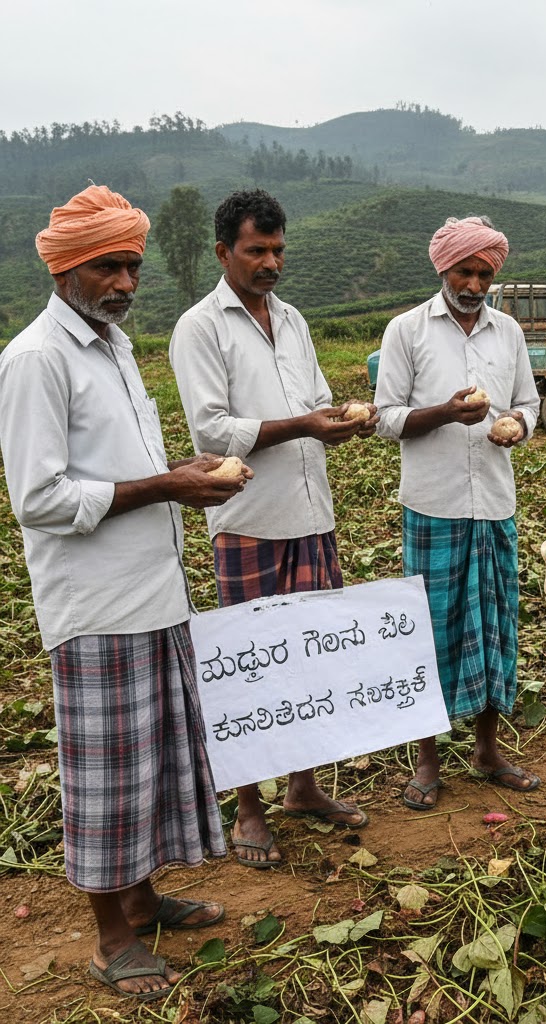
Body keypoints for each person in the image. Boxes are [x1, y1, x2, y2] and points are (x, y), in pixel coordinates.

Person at [0, 186, 240, 999]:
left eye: (133, 265)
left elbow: (125, 466)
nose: (126, 281)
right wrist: (166, 486)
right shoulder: (38, 358)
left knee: (153, 761)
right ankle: (110, 940)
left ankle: (142, 901)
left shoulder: (113, 346)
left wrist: (178, 480)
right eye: (109, 265)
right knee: (106, 773)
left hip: (153, 590)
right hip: (96, 604)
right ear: (67, 267)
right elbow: (38, 498)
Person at [170, 189, 375, 868]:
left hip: (312, 516)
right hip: (250, 523)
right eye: (256, 251)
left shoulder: (292, 320)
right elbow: (214, 432)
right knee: (251, 670)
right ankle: (250, 807)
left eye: (278, 250)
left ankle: (303, 787)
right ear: (223, 251)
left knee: (309, 661)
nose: (270, 263)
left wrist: (341, 419)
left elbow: (315, 404)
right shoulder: (200, 327)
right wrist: (307, 425)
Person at [375, 215, 541, 810]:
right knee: (430, 630)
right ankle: (426, 760)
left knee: (495, 627)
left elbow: (529, 400)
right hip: (434, 505)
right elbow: (387, 417)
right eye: (464, 271)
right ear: (442, 268)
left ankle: (488, 750)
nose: (473, 283)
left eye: (484, 273)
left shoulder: (508, 333)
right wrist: (444, 413)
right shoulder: (407, 330)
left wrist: (516, 424)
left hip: (493, 505)